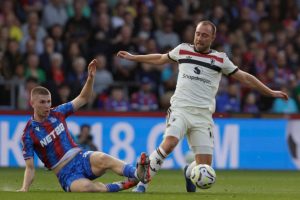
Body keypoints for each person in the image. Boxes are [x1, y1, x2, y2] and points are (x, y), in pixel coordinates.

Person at [117, 20, 289, 193]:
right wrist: (134, 57)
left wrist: (270, 92)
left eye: (204, 35)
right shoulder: (183, 50)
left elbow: (245, 77)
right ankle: (142, 184)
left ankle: (188, 172)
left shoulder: (220, 59)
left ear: (212, 38)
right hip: (181, 109)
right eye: (198, 34)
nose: (199, 38)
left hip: (203, 116)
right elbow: (161, 58)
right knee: (169, 144)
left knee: (204, 166)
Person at [18, 59, 151, 192]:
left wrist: (90, 78)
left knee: (103, 157)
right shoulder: (29, 134)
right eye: (42, 102)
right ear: (32, 103)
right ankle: (122, 185)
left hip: (81, 158)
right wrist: (24, 188)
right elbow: (30, 167)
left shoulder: (57, 112)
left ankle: (137, 174)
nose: (47, 105)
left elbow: (83, 98)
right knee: (87, 187)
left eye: (49, 101)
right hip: (65, 174)